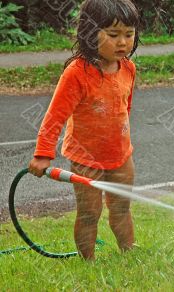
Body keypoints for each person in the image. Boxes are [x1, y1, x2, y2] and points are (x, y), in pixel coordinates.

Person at [28, 0, 140, 261]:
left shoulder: (129, 69)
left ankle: (129, 252)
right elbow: (55, 116)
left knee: (122, 207)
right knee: (90, 212)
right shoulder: (77, 73)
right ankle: (87, 261)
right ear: (90, 33)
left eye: (129, 34)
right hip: (85, 158)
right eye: (113, 35)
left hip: (122, 156)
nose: (123, 42)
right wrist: (43, 153)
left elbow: (125, 108)